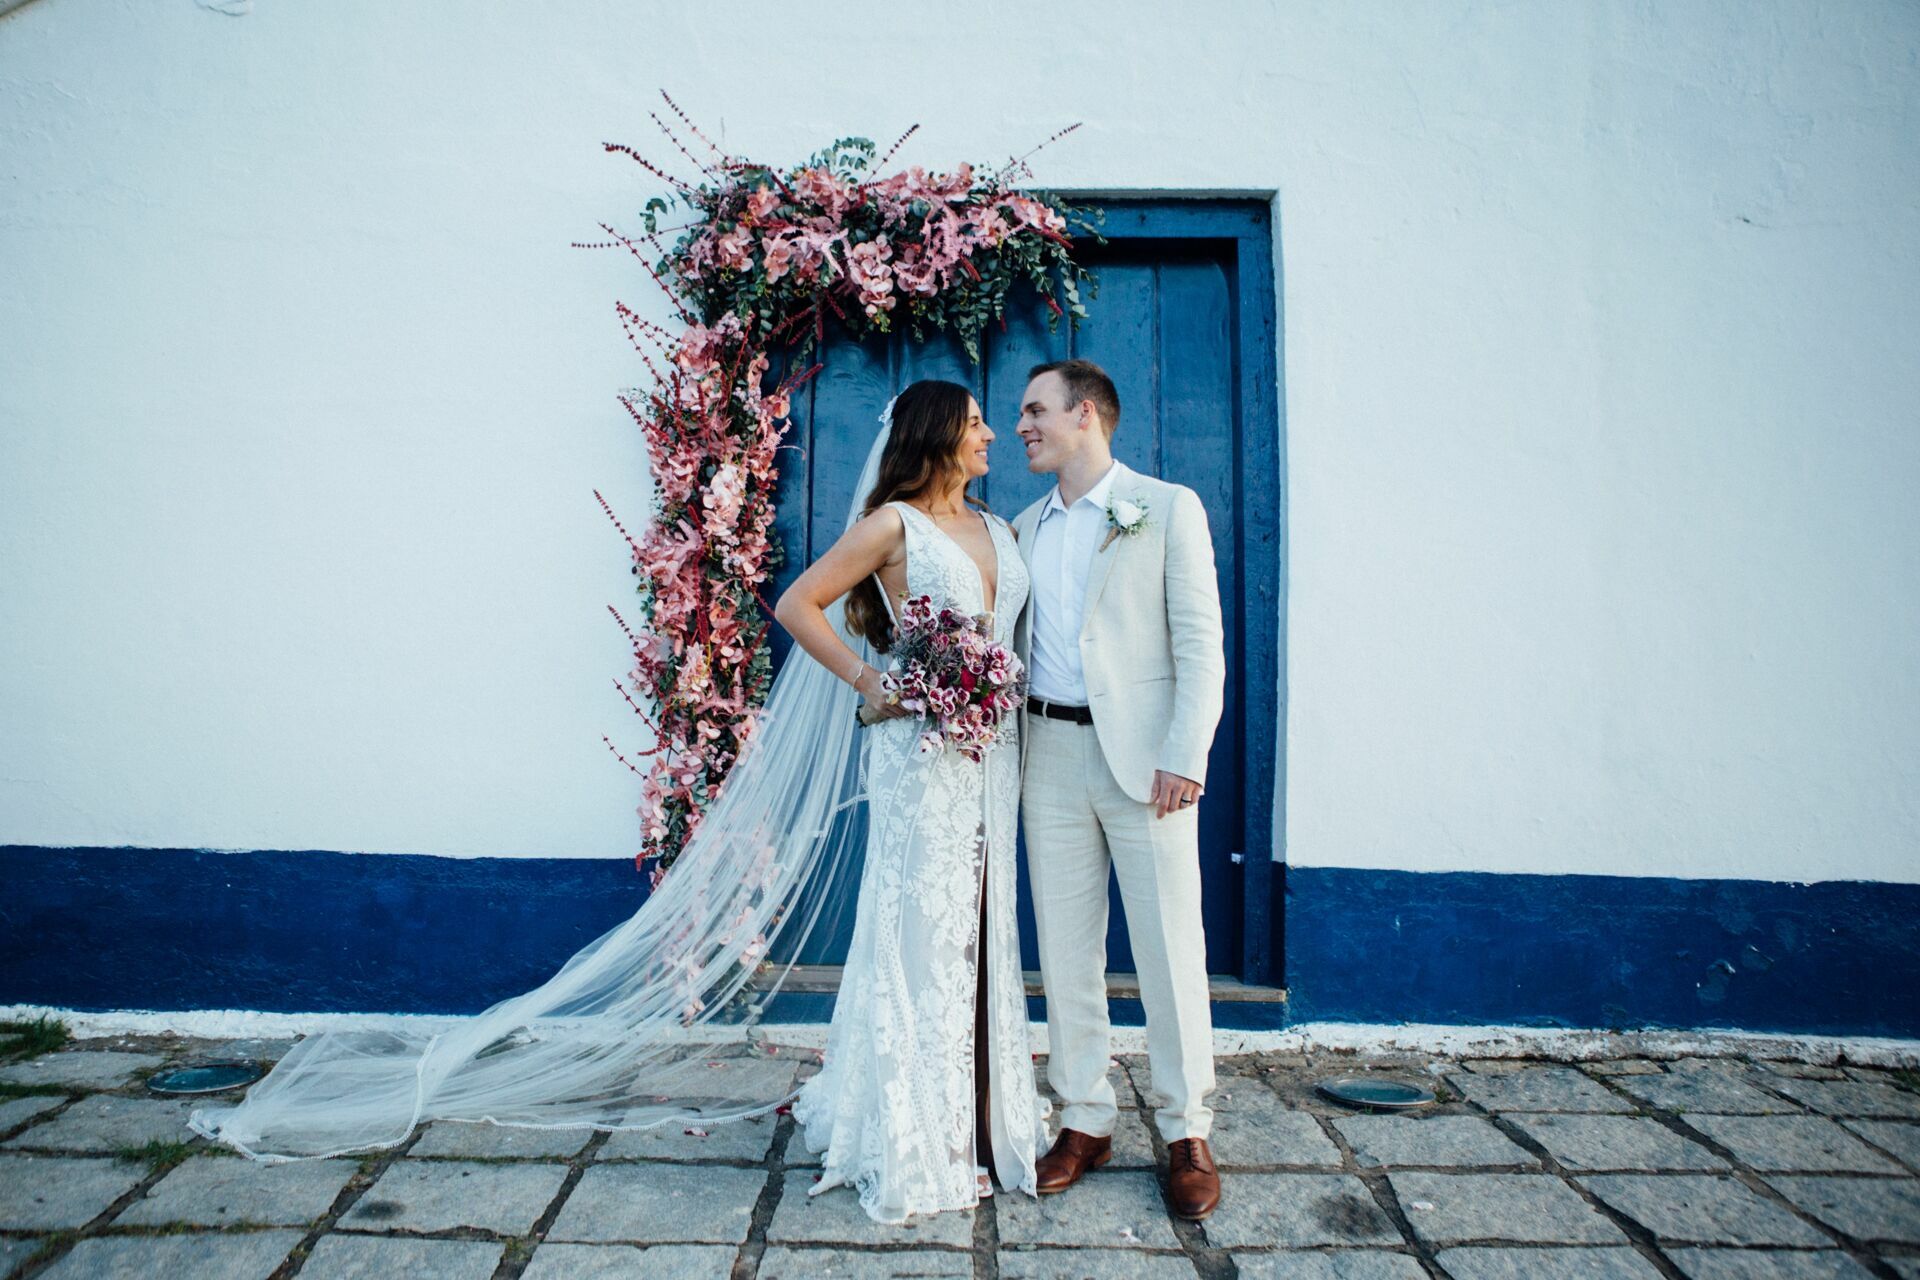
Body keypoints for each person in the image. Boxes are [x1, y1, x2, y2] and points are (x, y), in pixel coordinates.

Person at [774, 378, 1045, 1224]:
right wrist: (871, 681)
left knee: (984, 927)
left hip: (992, 757)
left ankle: (979, 1119)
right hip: (919, 756)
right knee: (924, 928)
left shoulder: (1001, 527)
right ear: (935, 436)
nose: (993, 435)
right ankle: (917, 1134)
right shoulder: (894, 525)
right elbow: (797, 603)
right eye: (974, 424)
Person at [1010, 359, 1228, 1220]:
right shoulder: (1022, 526)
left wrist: (1187, 753)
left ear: (1086, 414)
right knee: (1065, 949)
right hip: (1049, 756)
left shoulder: (1166, 508)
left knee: (1172, 948)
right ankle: (1085, 1119)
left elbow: (1200, 645)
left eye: (1035, 411)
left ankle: (1185, 1131)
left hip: (1148, 764)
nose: (1021, 426)